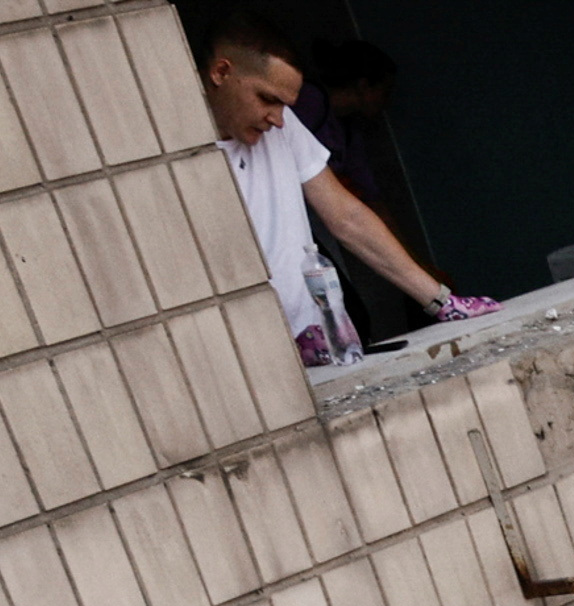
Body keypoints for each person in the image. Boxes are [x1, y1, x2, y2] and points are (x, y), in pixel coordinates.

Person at [199, 10, 486, 361]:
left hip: (318, 339)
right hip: (250, 355)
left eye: (285, 106)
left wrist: (441, 301)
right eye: (267, 99)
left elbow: (346, 215)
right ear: (221, 72)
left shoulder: (285, 125)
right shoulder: (172, 158)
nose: (277, 118)